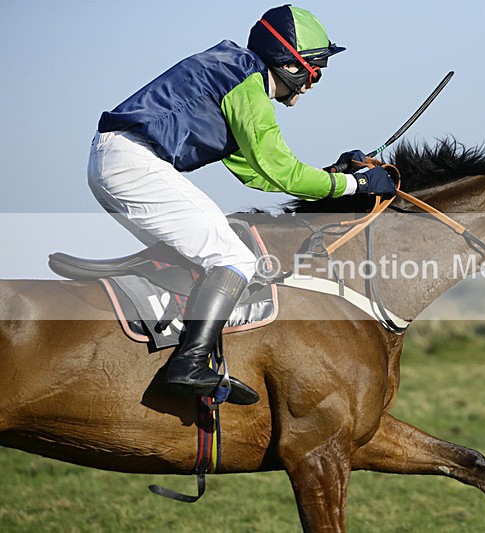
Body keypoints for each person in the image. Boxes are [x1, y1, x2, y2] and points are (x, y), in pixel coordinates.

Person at [88, 5, 396, 405]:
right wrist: (352, 183)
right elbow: (280, 170)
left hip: (118, 160)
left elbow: (258, 173)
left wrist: (330, 174)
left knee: (206, 255)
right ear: (290, 64)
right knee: (234, 258)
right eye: (315, 69)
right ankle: (188, 364)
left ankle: (178, 347)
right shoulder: (247, 84)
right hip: (132, 162)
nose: (315, 82)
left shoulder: (234, 72)